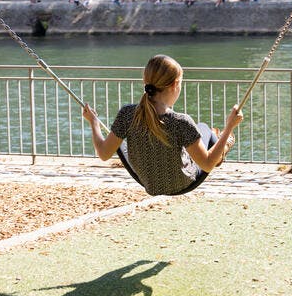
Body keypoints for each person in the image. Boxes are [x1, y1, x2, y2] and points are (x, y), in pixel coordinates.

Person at [82, 55, 243, 196]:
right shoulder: (181, 122)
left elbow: (103, 154)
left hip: (150, 184)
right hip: (183, 183)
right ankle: (222, 146)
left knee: (120, 140)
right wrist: (230, 126)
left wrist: (94, 122)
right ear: (174, 84)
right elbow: (207, 164)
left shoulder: (127, 114)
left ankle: (218, 149)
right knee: (207, 131)